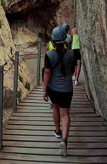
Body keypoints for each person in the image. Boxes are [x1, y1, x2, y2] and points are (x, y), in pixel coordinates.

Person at [43, 26, 76, 156]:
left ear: (53, 41)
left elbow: (47, 72)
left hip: (53, 88)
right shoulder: (71, 53)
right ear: (64, 40)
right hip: (67, 88)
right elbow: (72, 70)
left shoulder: (49, 55)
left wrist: (45, 90)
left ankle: (57, 131)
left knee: (55, 108)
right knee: (66, 114)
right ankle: (64, 140)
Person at [70, 21, 81, 85]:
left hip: (73, 48)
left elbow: (71, 39)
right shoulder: (80, 31)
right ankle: (76, 79)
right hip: (79, 48)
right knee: (79, 64)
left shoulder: (72, 30)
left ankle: (74, 75)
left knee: (75, 64)